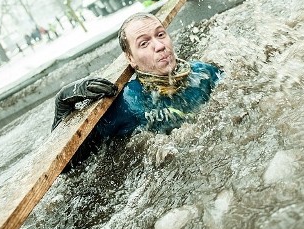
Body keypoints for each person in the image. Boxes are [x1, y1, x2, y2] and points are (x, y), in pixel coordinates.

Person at [52, 12, 222, 146]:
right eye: (144, 43)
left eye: (161, 34)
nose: (160, 46)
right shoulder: (127, 102)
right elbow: (70, 162)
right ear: (131, 58)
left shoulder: (203, 74)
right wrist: (62, 103)